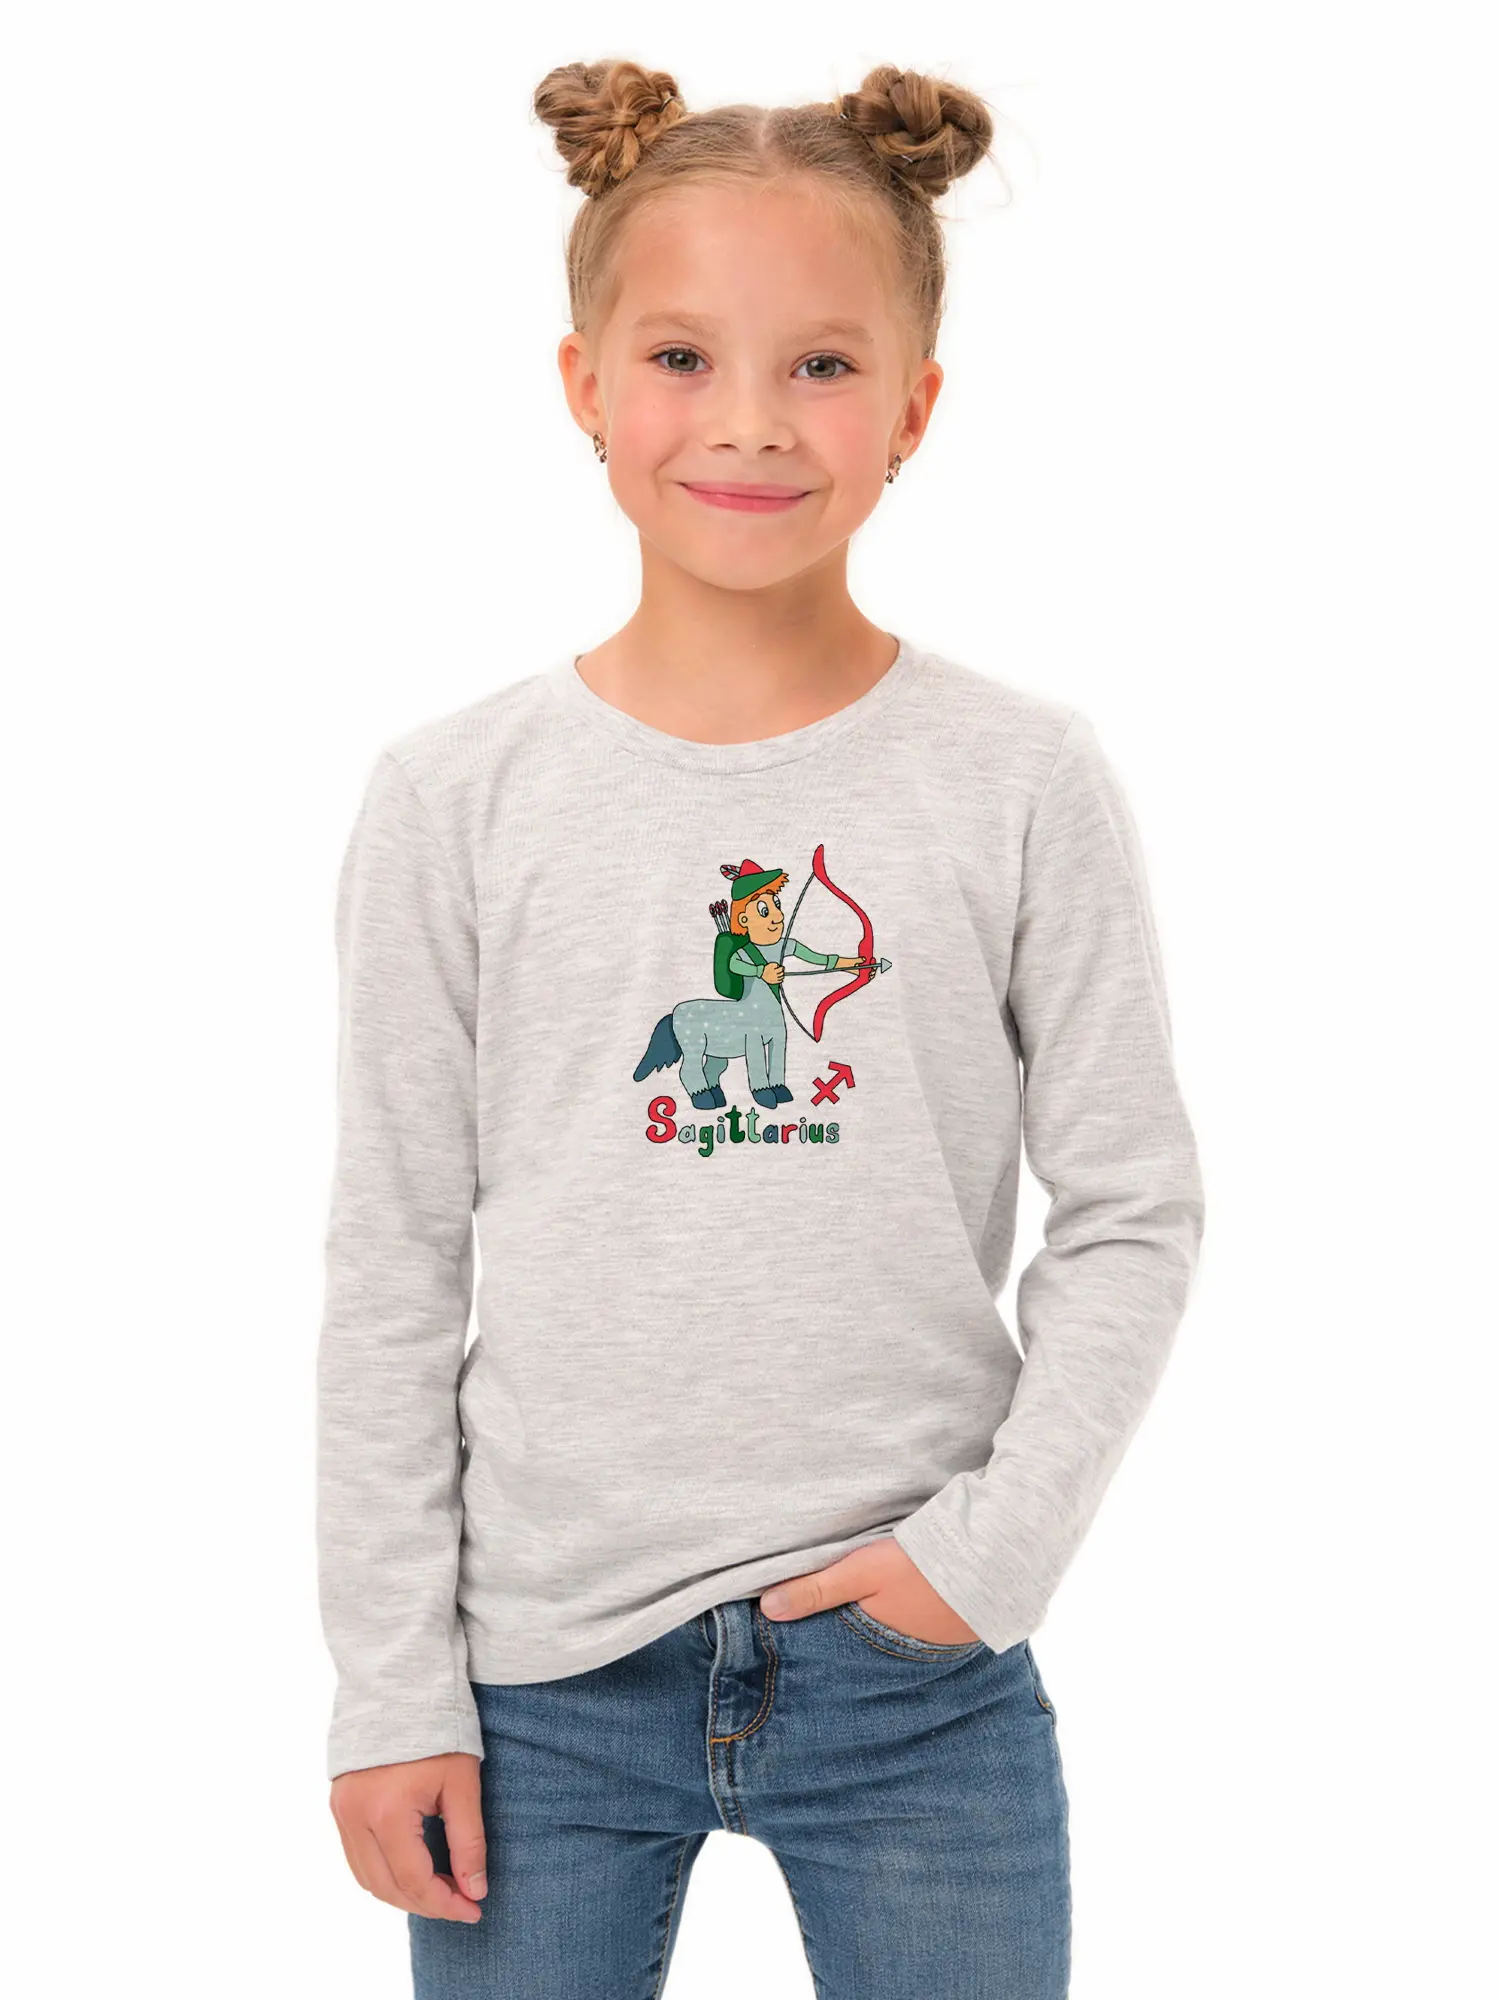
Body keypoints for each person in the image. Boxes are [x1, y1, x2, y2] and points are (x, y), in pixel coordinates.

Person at [317, 57, 1206, 2000]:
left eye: (819, 364)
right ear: (584, 387)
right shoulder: (455, 799)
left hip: (915, 1674)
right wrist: (392, 1689)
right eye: (680, 358)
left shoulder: (1021, 779)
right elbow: (392, 1265)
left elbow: (1135, 1207)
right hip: (541, 1685)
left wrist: (983, 1561)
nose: (747, 420)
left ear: (915, 409)